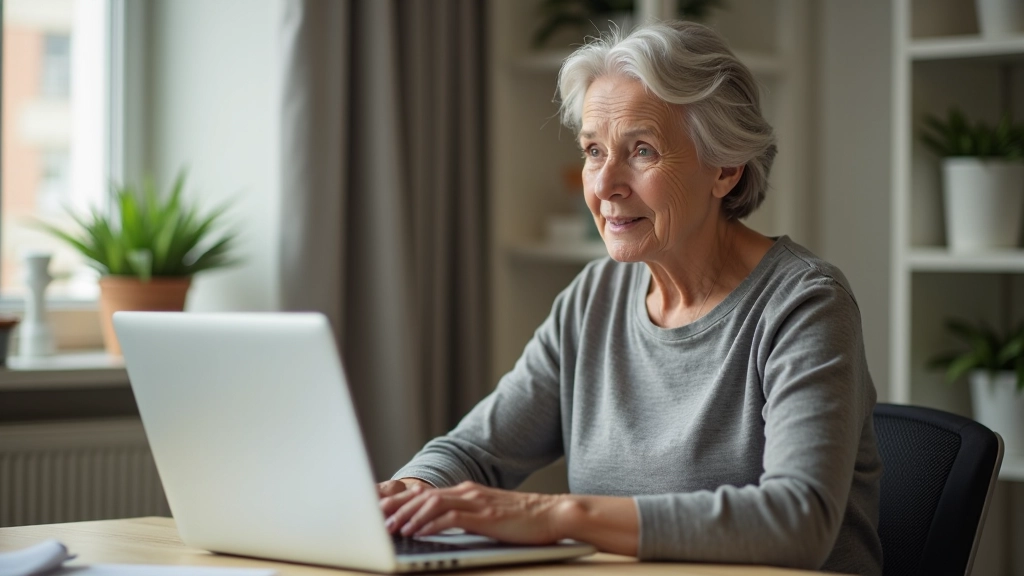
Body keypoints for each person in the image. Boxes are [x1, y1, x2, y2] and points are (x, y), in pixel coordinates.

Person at [378, 21, 882, 575]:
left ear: (726, 168)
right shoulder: (592, 299)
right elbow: (474, 451)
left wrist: (557, 515)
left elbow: (797, 521)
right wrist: (406, 496)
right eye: (594, 150)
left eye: (641, 150)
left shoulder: (805, 304)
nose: (605, 184)